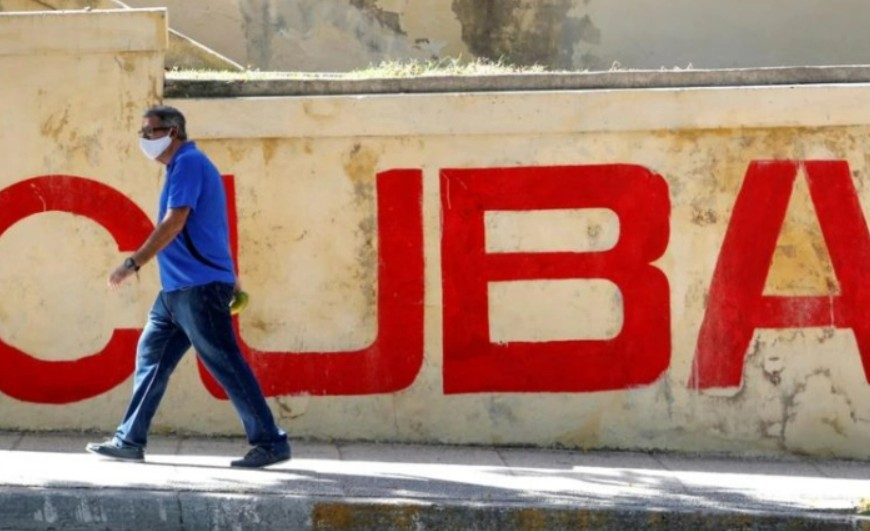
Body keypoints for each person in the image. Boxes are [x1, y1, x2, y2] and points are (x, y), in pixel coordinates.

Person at [86, 105, 290, 468]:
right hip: (177, 291)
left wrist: (133, 263)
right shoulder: (179, 167)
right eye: (142, 132)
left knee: (225, 362)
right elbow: (211, 227)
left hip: (199, 288)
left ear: (173, 132)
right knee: (152, 359)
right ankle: (129, 440)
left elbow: (175, 222)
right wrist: (231, 274)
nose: (144, 138)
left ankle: (270, 442)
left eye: (150, 131)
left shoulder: (189, 163)